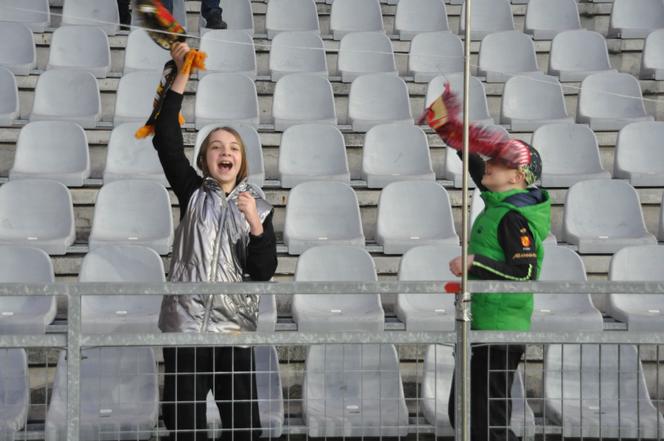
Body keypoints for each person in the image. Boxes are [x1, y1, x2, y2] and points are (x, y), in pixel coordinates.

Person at [153, 42, 277, 441]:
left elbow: (263, 271)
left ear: (242, 160)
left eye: (234, 148)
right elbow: (166, 140)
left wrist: (255, 225)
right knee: (184, 426)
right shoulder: (192, 192)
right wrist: (181, 73)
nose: (226, 153)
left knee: (244, 428)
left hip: (233, 332)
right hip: (187, 329)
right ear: (205, 158)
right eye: (217, 148)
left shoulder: (259, 205)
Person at [446, 143, 551, 441]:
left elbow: (525, 272)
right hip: (481, 324)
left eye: (500, 162)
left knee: (486, 423)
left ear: (516, 177)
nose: (490, 164)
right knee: (465, 415)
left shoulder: (513, 217)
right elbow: (482, 174)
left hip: (499, 331)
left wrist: (474, 261)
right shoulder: (499, 205)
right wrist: (461, 145)